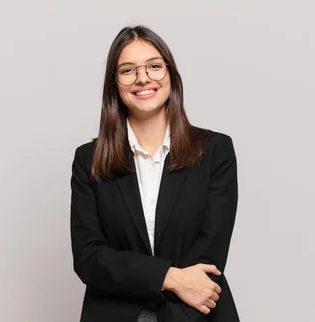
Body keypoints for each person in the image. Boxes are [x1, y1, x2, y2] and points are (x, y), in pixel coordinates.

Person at [70, 25, 240, 322]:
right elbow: (89, 258)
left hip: (195, 314)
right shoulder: (89, 160)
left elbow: (209, 254)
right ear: (114, 83)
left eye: (154, 66)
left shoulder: (215, 151)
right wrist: (170, 278)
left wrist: (155, 280)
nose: (142, 78)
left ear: (170, 74)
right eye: (127, 70)